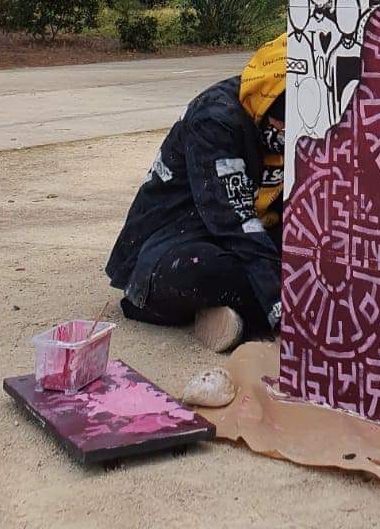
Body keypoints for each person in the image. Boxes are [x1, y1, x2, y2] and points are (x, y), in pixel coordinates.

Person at [106, 35, 287, 353]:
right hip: (177, 239)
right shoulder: (215, 119)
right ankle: (240, 312)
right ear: (266, 102)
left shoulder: (307, 122)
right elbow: (234, 222)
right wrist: (281, 308)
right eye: (284, 124)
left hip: (248, 233)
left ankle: (228, 315)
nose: (291, 132)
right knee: (201, 270)